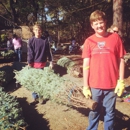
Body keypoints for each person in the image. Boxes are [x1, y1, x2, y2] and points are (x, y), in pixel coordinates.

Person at [82, 10, 126, 130]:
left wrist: (121, 81)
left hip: (111, 85)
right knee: (94, 111)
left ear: (105, 22)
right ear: (92, 25)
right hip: (95, 84)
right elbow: (86, 64)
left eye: (100, 22)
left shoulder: (115, 38)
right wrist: (85, 86)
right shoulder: (88, 41)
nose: (99, 26)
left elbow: (121, 60)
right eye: (95, 23)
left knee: (110, 113)